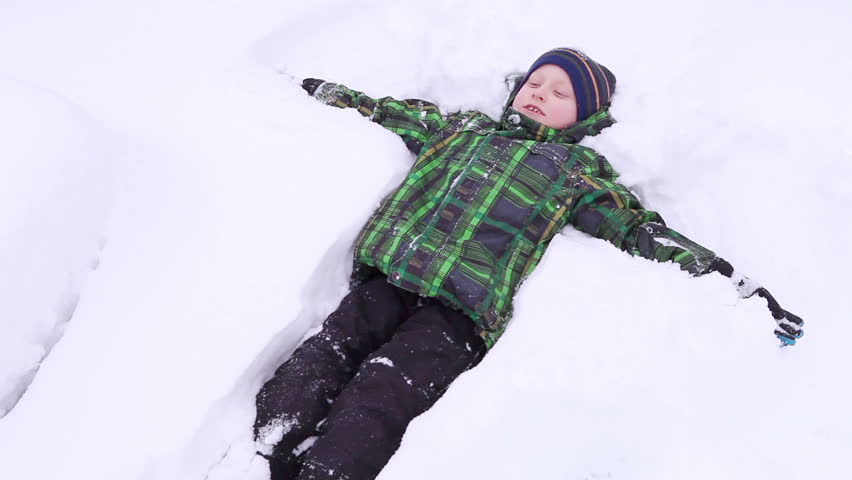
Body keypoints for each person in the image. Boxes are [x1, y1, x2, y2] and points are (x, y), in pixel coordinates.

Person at [253, 48, 804, 480]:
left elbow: (637, 230)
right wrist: (306, 89)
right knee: (325, 350)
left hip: (460, 314)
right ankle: (264, 448)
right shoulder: (462, 129)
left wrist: (725, 277)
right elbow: (381, 109)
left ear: (586, 117)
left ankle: (329, 471)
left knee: (386, 388)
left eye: (560, 92)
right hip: (390, 276)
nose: (540, 93)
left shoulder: (576, 171)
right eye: (535, 83)